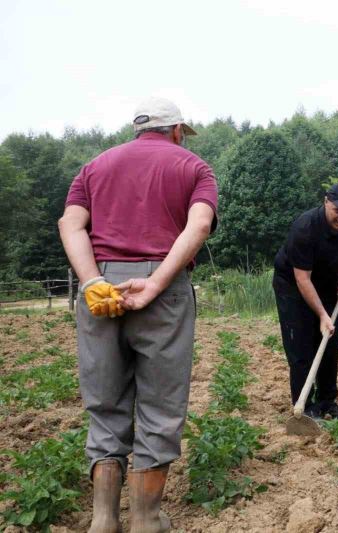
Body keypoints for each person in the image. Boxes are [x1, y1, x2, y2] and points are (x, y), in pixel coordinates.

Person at [58, 96, 218, 533]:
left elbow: (69, 224)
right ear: (177, 130)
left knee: (105, 403)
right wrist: (157, 281)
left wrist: (92, 282)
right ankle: (147, 519)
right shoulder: (193, 167)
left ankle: (104, 519)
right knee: (160, 406)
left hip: (102, 290)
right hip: (161, 291)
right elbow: (199, 225)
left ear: (137, 130)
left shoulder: (93, 167)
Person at [272, 182, 338, 420]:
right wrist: (322, 314)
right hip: (292, 284)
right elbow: (302, 279)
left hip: (327, 283)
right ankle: (305, 406)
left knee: (330, 343)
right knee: (301, 344)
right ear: (326, 202)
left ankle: (327, 400)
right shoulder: (305, 227)